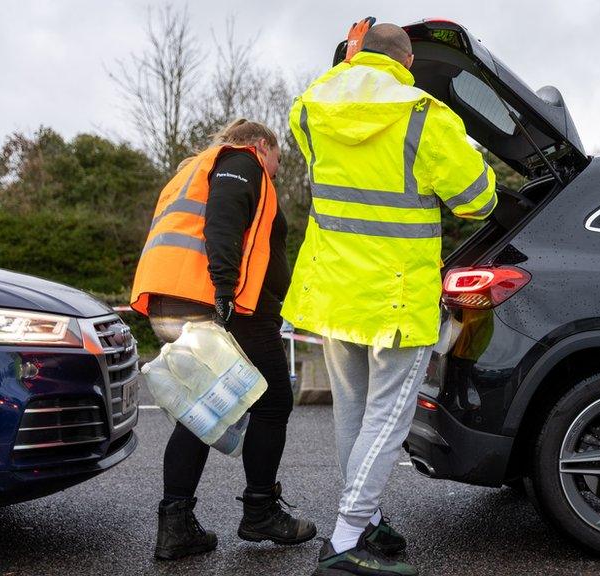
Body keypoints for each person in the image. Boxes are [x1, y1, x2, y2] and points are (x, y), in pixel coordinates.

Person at [284, 21, 497, 576]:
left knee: (353, 415)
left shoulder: (309, 107)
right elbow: (477, 200)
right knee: (387, 420)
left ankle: (367, 519)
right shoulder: (424, 116)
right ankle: (347, 537)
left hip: (333, 292)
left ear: (357, 56)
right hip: (396, 299)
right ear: (405, 63)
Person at [131, 119, 317, 560]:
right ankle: (260, 512)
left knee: (200, 411)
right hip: (221, 303)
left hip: (172, 300)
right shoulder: (241, 161)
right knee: (273, 401)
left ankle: (176, 525)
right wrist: (224, 290)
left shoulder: (193, 170)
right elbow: (225, 219)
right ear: (261, 145)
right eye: (276, 159)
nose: (274, 170)